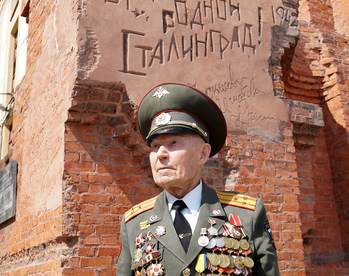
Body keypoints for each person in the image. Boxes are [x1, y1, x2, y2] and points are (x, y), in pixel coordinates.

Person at [117, 83, 280, 276]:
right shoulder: (134, 222)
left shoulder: (246, 215)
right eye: (154, 146)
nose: (160, 154)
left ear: (203, 154)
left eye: (173, 142)